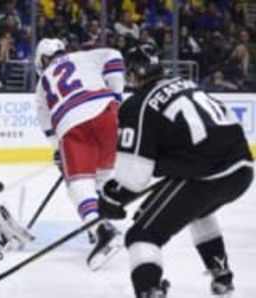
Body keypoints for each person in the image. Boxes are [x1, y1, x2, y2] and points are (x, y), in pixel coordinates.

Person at [98, 44, 253, 297]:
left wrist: (112, 198)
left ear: (134, 73)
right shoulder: (187, 84)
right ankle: (222, 275)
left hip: (205, 176)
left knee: (141, 234)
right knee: (198, 211)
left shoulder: (136, 105)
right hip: (242, 169)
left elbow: (133, 177)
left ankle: (149, 290)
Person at [33, 38, 125, 268]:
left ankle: (100, 229)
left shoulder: (42, 82)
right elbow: (114, 54)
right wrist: (117, 96)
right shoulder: (84, 56)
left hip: (71, 123)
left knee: (79, 185)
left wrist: (57, 151)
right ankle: (101, 223)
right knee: (104, 176)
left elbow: (45, 120)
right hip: (105, 111)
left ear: (43, 59)